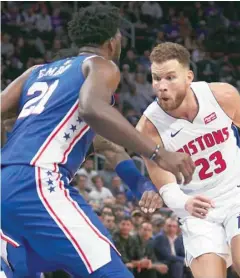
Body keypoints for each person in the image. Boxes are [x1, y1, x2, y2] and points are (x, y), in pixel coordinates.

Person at [1, 5, 195, 277]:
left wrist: (142, 187)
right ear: (112, 41)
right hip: (37, 180)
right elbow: (91, 107)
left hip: (5, 185)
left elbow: (111, 147)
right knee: (111, 271)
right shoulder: (100, 65)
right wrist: (158, 153)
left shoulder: (35, 73)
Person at [136, 42, 240, 278]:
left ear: (188, 77)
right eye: (156, 79)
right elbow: (165, 185)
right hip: (196, 206)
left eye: (170, 78)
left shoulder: (220, 95)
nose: (162, 86)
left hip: (236, 194)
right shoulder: (148, 127)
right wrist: (184, 203)